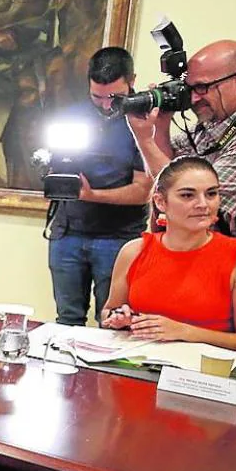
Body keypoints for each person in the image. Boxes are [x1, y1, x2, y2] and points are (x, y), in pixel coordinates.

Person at [100, 156, 236, 471]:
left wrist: (184, 331)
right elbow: (107, 312)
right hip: (139, 377)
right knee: (122, 435)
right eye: (189, 195)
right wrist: (118, 318)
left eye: (212, 194)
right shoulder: (136, 250)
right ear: (161, 203)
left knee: (170, 444)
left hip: (204, 389)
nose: (204, 204)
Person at [48, 47, 151, 326]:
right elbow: (55, 168)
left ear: (132, 80)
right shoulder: (72, 117)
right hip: (67, 232)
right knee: (67, 319)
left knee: (114, 322)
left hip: (118, 238)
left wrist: (92, 195)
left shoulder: (145, 121)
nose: (106, 105)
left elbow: (144, 190)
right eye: (97, 96)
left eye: (114, 98)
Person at [128, 40, 236, 241]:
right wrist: (159, 126)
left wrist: (145, 141)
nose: (194, 99)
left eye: (202, 87)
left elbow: (188, 195)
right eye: (189, 89)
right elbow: (165, 171)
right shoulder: (210, 124)